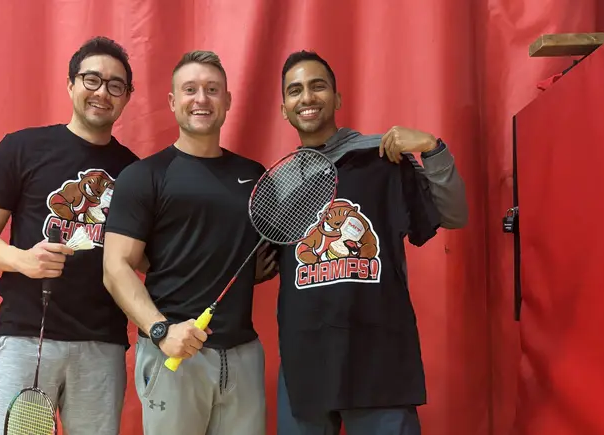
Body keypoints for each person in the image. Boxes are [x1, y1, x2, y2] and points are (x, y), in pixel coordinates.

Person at [273, 50, 469, 435]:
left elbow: (454, 215)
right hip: (305, 365)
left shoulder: (382, 158)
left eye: (318, 86)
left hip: (380, 361)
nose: (307, 98)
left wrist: (432, 149)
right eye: (295, 91)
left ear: (338, 98)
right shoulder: (279, 185)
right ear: (284, 109)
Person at [0, 36, 144, 435]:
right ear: (70, 84)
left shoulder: (136, 172)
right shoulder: (22, 148)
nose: (102, 92)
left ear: (127, 97)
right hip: (26, 337)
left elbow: (145, 257)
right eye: (92, 79)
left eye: (116, 85)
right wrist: (22, 259)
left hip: (102, 344)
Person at [102, 50, 275, 435]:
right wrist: (162, 331)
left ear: (228, 100)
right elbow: (115, 268)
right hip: (173, 355)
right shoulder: (143, 176)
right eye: (190, 89)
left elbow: (264, 254)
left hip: (244, 355)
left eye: (212, 90)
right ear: (172, 101)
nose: (201, 99)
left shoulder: (255, 176)